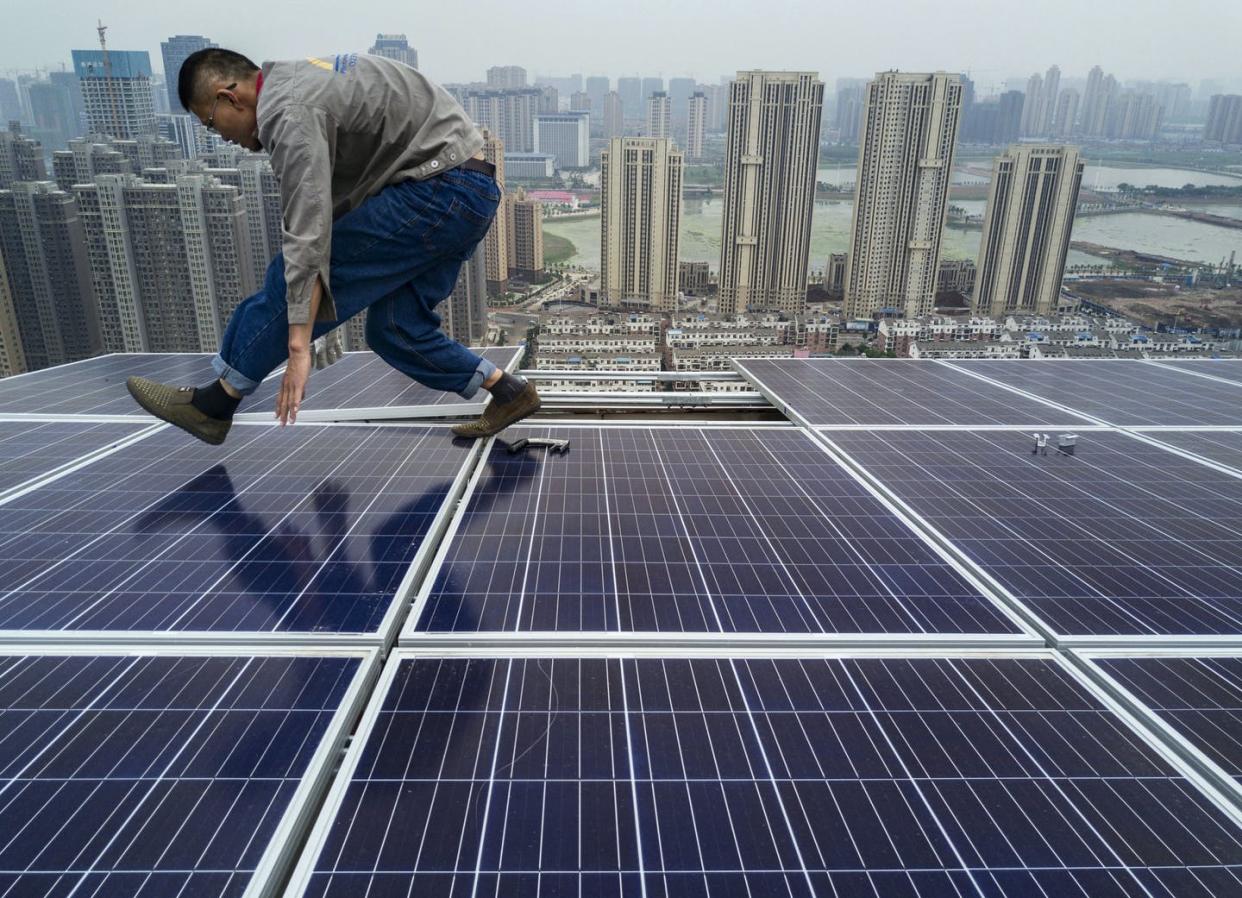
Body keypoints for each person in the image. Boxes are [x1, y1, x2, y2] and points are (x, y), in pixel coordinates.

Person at [126, 48, 539, 445]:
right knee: (394, 328)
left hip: (438, 191)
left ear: (229, 97)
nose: (222, 138)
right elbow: (338, 202)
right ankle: (509, 392)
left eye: (211, 124)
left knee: (287, 275)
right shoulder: (298, 83)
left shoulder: (287, 113)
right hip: (470, 190)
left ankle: (215, 404)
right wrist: (311, 320)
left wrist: (298, 346)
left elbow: (308, 239)